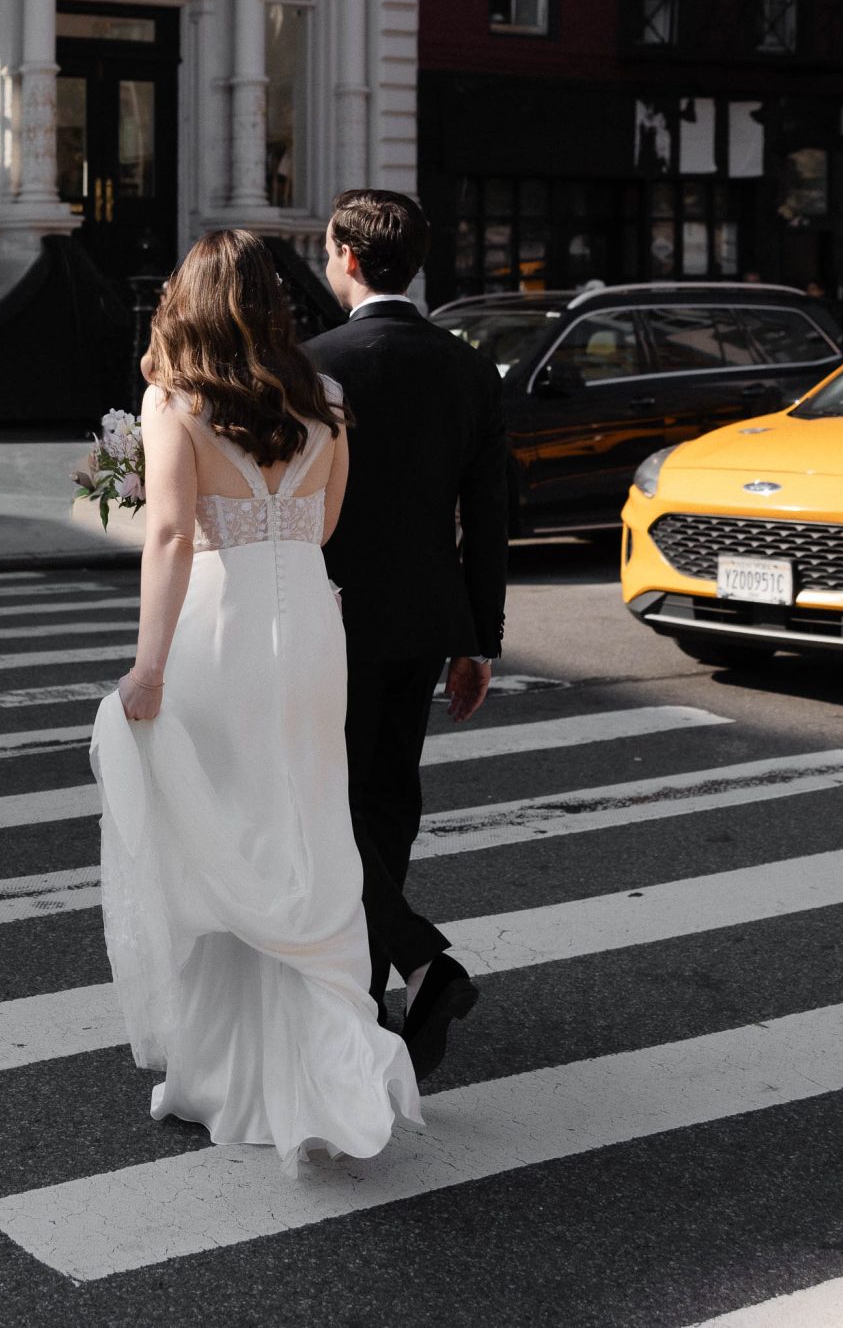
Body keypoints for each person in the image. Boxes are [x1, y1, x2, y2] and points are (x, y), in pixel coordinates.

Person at [90, 228, 421, 1175]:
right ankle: (318, 1057)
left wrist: (147, 668)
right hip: (311, 626)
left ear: (185, 304)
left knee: (224, 831)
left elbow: (167, 537)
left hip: (221, 626)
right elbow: (323, 522)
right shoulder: (329, 399)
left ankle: (230, 1070)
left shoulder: (175, 403)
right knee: (305, 819)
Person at [304, 189, 509, 1082]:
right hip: (428, 618)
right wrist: (480, 640)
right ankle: (379, 985)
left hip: (333, 612)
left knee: (328, 801)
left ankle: (414, 961)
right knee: (390, 794)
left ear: (347, 255)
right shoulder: (468, 368)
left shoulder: (314, 364)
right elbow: (490, 514)